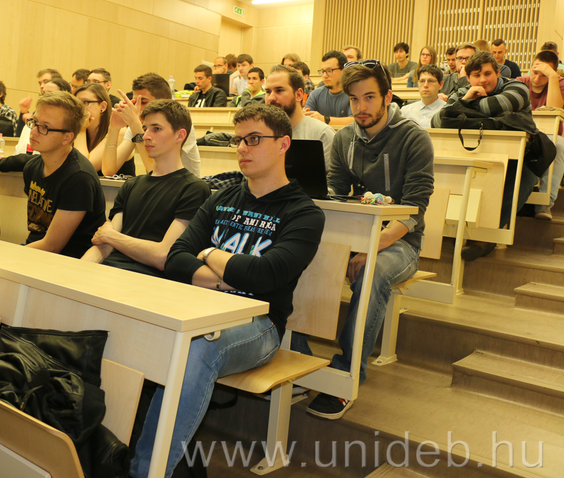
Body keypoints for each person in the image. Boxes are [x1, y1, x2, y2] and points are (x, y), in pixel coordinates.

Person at [131, 103, 325, 477]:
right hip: (197, 308)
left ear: (283, 144)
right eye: (238, 140)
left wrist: (208, 253)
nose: (242, 148)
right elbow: (176, 259)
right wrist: (227, 276)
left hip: (259, 325)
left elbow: (267, 276)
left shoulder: (304, 213)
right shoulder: (220, 198)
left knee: (197, 347)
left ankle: (146, 471)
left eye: (253, 139)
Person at [304, 60, 433, 420]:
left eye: (370, 97)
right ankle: (295, 356)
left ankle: (346, 376)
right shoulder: (344, 139)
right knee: (294, 256)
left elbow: (414, 211)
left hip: (401, 244)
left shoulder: (414, 138)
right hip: (352, 237)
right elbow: (333, 193)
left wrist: (371, 248)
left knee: (371, 273)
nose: (361, 107)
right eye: (354, 99)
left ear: (388, 97)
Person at [82, 100, 210, 276]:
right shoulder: (131, 185)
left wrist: (112, 237)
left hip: (148, 280)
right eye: (144, 129)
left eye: (156, 129)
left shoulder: (194, 189)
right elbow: (103, 247)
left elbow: (162, 256)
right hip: (109, 272)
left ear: (179, 135)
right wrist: (79, 272)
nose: (146, 136)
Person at [432, 52, 538, 261]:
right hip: (475, 151)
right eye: (476, 75)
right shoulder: (462, 92)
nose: (482, 80)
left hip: (518, 157)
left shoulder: (517, 87)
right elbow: (438, 121)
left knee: (524, 175)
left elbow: (498, 105)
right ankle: (446, 227)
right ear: (468, 77)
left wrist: (464, 106)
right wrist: (465, 99)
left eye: (488, 73)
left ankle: (486, 236)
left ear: (498, 72)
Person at [23, 91, 105, 258]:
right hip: (37, 254)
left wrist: (10, 254)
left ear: (67, 138)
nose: (34, 132)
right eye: (35, 122)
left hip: (69, 262)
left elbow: (52, 246)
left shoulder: (79, 178)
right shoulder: (32, 167)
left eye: (45, 127)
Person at [103, 73, 201, 177]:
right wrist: (114, 127)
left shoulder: (178, 122)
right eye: (135, 102)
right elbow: (108, 171)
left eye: (143, 102)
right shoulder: (138, 123)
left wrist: (135, 126)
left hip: (182, 185)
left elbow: (157, 171)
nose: (137, 108)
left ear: (164, 101)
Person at [517, 50, 564, 219]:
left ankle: (544, 203)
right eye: (534, 72)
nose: (536, 79)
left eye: (544, 75)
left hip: (549, 135)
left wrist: (553, 78)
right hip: (524, 134)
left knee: (558, 146)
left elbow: (554, 110)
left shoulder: (559, 83)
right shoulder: (520, 82)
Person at [265, 65, 335, 168]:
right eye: (268, 92)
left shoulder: (322, 134)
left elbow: (332, 177)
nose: (271, 98)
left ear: (298, 95)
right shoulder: (261, 134)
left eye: (279, 90)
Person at [74, 83, 135, 176]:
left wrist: (81, 128)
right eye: (76, 104)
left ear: (102, 107)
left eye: (86, 103)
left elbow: (84, 168)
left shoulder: (119, 131)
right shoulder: (73, 131)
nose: (79, 109)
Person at [304, 50, 354, 125]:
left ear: (343, 71)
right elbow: (307, 119)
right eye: (322, 71)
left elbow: (354, 121)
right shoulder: (315, 95)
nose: (324, 75)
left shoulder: (354, 94)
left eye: (329, 71)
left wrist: (325, 119)